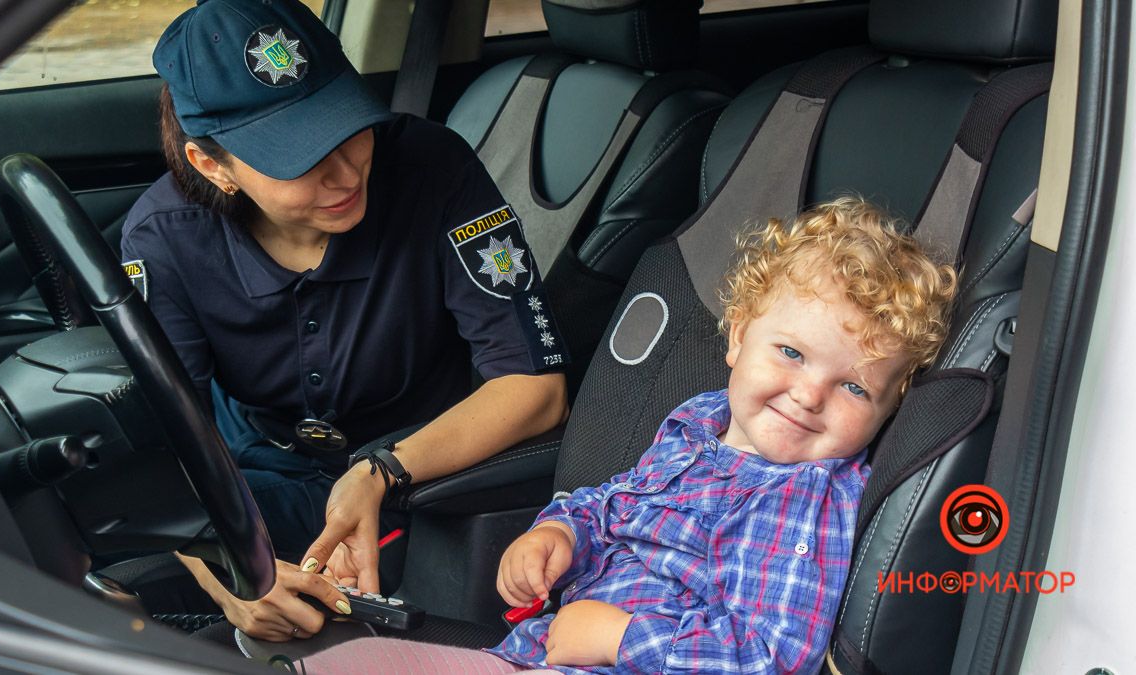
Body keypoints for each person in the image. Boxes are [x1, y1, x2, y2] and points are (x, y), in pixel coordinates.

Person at [294, 197, 958, 673]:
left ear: (884, 408)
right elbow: (612, 504)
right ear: (736, 337)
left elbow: (772, 655)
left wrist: (623, 637)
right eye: (790, 352)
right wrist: (558, 534)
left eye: (853, 387)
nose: (809, 393)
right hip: (544, 648)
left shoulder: (813, 501)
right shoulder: (698, 423)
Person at [120, 0, 569, 641]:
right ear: (212, 166)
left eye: (346, 128)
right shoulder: (164, 240)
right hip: (251, 479)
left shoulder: (433, 170)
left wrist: (381, 469)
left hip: (423, 473)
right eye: (296, 157)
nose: (343, 171)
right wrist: (230, 576)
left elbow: (536, 385)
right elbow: (169, 448)